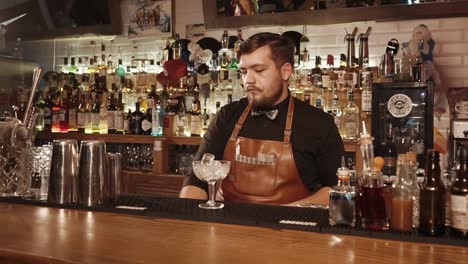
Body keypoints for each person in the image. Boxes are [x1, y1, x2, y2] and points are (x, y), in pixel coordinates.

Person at [179, 32, 344, 206]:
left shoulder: (318, 123)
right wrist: (188, 216)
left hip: (291, 228)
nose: (248, 80)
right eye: (243, 72)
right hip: (228, 226)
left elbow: (336, 189)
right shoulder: (227, 116)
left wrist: (283, 214)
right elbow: (196, 181)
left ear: (285, 71)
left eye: (258, 70)